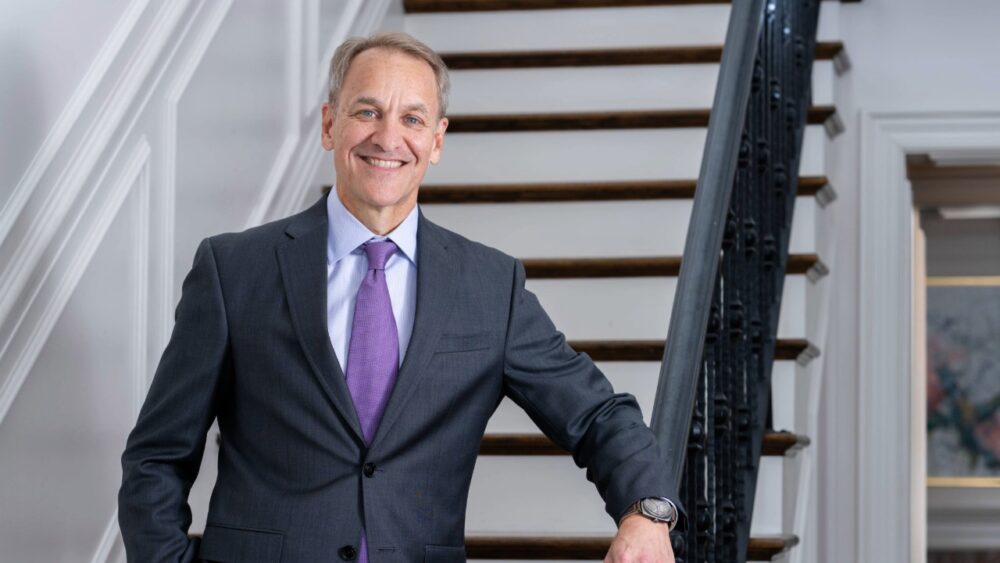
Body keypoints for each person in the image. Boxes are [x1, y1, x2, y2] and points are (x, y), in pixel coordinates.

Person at [119, 32, 680, 563]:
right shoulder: (233, 270)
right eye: (367, 111)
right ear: (329, 125)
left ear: (435, 141)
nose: (388, 138)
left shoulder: (489, 286)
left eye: (412, 118)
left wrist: (646, 514)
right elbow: (156, 457)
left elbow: (598, 415)